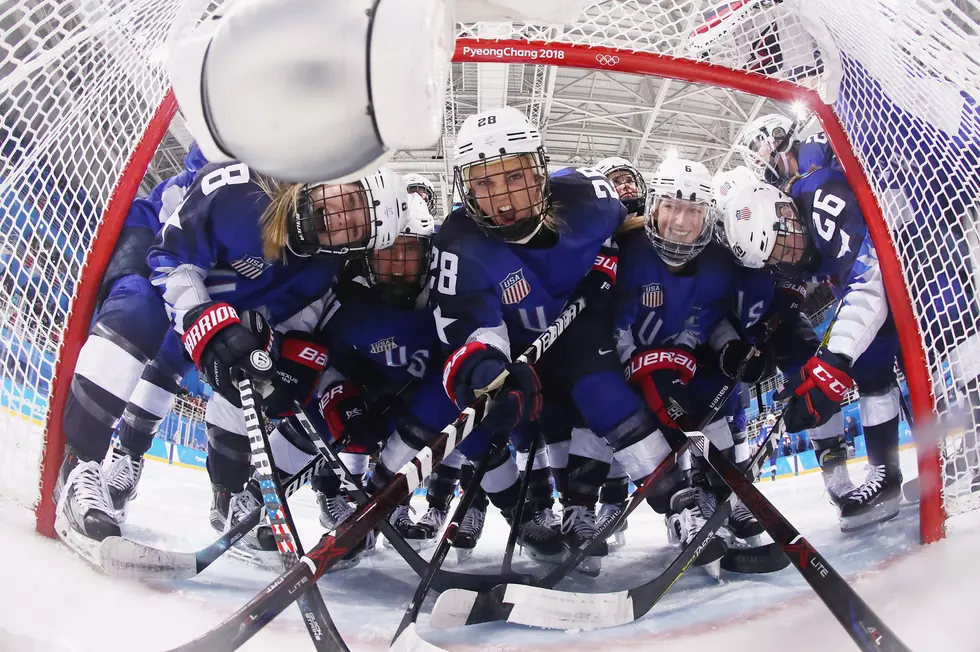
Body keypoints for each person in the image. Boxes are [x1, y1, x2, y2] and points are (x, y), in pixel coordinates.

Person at [433, 106, 671, 574]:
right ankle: (524, 517)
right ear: (466, 188)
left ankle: (676, 499)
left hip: (575, 327)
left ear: (540, 172)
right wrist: (488, 371)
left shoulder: (589, 197)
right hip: (515, 350)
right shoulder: (458, 239)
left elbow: (630, 230)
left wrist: (607, 267)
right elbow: (470, 327)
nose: (502, 199)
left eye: (514, 177)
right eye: (484, 183)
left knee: (603, 393)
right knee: (485, 414)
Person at [144, 163, 409, 553]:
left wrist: (297, 358)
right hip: (210, 311)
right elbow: (171, 258)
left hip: (266, 326)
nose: (341, 219)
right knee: (237, 372)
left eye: (354, 229)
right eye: (350, 200)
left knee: (275, 383)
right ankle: (226, 496)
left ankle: (246, 502)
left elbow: (309, 310)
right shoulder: (253, 191)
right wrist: (209, 320)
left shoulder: (329, 265)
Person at [722, 167, 904, 530]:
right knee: (871, 368)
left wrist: (829, 363)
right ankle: (884, 474)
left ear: (782, 209)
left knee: (950, 341)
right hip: (891, 283)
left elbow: (868, 284)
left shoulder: (822, 197)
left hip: (922, 256)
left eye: (780, 242)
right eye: (773, 257)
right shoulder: (781, 242)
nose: (785, 258)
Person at [53, 144, 208, 559]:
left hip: (206, 266)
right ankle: (80, 463)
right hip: (156, 236)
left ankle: (128, 455)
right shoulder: (222, 150)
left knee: (180, 350)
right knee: (139, 308)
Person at [614, 157, 756, 569]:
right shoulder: (628, 249)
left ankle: (727, 497)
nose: (681, 220)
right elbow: (613, 325)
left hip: (680, 362)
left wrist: (722, 346)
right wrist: (638, 361)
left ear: (707, 216)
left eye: (694, 210)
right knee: (653, 416)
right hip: (628, 367)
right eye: (673, 206)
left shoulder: (715, 262)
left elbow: (706, 317)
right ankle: (682, 511)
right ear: (654, 206)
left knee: (713, 402)